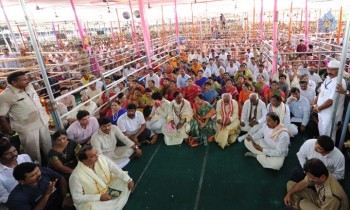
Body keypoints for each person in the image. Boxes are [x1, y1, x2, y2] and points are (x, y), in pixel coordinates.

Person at [0, 71, 52, 164]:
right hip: (27, 128)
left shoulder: (29, 86)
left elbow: (35, 97)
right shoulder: (5, 96)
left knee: (48, 146)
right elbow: (1, 116)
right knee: (33, 152)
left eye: (27, 79)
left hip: (42, 121)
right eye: (24, 80)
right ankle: (36, 170)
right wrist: (9, 131)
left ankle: (52, 164)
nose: (27, 81)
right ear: (14, 82)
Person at [69, 145, 134, 210]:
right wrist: (99, 197)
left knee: (124, 180)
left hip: (110, 185)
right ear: (84, 160)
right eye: (93, 156)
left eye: (96, 153)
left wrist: (129, 180)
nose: (97, 156)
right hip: (95, 199)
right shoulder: (75, 175)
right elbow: (77, 198)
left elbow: (116, 169)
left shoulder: (101, 158)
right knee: (91, 208)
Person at [284, 158, 348, 210]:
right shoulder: (319, 173)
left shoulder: (332, 196)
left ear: (322, 177)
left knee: (303, 203)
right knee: (290, 185)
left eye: (312, 178)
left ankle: (297, 207)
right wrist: (289, 194)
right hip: (319, 198)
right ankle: (294, 207)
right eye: (308, 176)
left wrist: (299, 205)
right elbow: (304, 183)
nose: (309, 179)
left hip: (328, 206)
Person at [7, 162, 74, 210]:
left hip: (64, 202)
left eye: (38, 171)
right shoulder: (16, 199)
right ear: (21, 181)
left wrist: (66, 196)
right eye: (33, 175)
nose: (39, 174)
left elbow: (61, 178)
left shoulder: (44, 171)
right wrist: (47, 195)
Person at [312, 59, 346, 142]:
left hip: (330, 113)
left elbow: (331, 101)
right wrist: (315, 102)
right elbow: (322, 92)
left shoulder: (339, 81)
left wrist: (319, 108)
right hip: (322, 111)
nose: (329, 71)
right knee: (322, 132)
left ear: (339, 70)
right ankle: (321, 149)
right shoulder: (328, 78)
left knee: (328, 136)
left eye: (332, 70)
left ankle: (327, 153)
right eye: (328, 69)